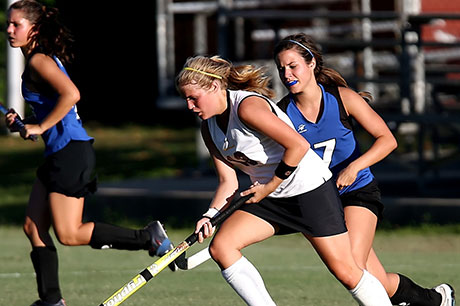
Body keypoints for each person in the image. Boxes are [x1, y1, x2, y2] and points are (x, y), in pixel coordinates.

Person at [176, 54, 394, 306]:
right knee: (222, 247)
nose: (190, 106)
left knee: (347, 272)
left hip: (309, 191)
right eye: (186, 100)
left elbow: (298, 145)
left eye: (194, 98)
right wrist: (210, 215)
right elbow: (228, 182)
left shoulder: (247, 107)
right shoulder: (209, 128)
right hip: (271, 196)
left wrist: (268, 186)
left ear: (214, 86)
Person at [5, 1, 174, 305]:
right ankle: (51, 300)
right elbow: (57, 109)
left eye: (16, 24)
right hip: (59, 152)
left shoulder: (39, 61)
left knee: (69, 234)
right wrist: (26, 124)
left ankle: (148, 237)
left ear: (35, 29)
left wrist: (41, 126)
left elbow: (72, 95)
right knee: (33, 225)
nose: (9, 29)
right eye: (8, 23)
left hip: (70, 153)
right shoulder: (38, 61)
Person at [273, 33, 455, 306]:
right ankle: (436, 299)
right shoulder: (282, 114)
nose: (286, 74)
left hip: (358, 192)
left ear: (311, 64)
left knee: (352, 267)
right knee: (376, 280)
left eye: (293, 66)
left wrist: (355, 167)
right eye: (281, 68)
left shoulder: (343, 99)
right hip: (322, 200)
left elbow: (388, 140)